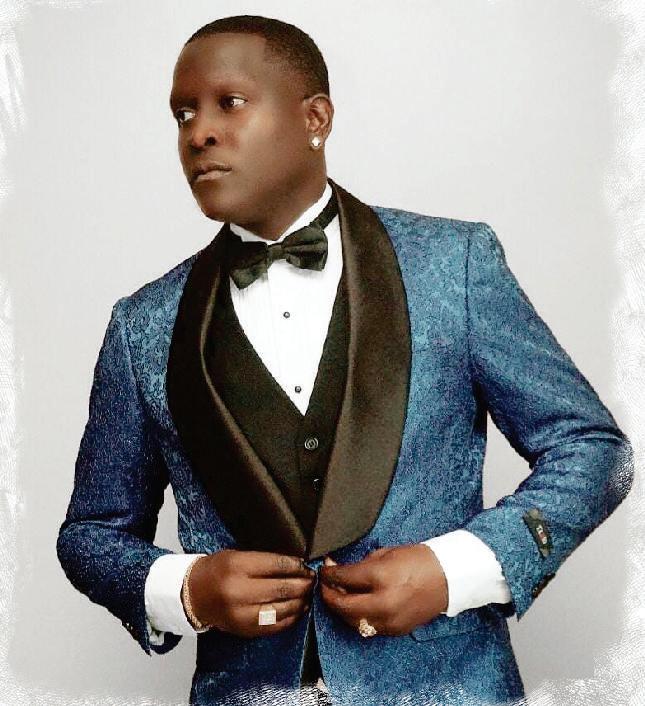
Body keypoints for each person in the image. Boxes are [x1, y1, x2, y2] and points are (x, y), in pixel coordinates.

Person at [56, 14, 634, 706]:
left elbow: (593, 450)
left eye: (228, 103)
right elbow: (91, 534)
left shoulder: (453, 266)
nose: (198, 132)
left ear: (316, 118)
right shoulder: (142, 324)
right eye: (183, 114)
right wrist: (185, 588)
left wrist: (455, 570)